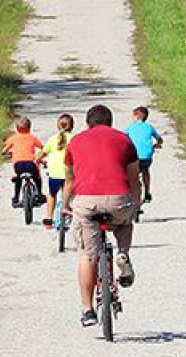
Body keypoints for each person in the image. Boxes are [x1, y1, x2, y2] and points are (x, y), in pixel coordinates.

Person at [60, 105, 143, 327]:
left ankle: (88, 310)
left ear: (88, 123)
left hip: (87, 202)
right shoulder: (124, 140)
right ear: (110, 122)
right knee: (125, 222)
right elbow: (135, 179)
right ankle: (123, 253)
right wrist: (135, 204)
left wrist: (65, 204)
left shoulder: (76, 142)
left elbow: (69, 180)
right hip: (118, 199)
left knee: (88, 256)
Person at [37, 114, 76, 228]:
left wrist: (39, 160)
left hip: (54, 174)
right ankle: (68, 212)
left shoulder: (53, 139)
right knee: (68, 195)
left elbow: (41, 154)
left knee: (52, 194)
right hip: (68, 174)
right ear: (72, 127)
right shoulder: (74, 139)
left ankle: (49, 219)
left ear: (57, 126)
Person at [122, 106, 163, 203]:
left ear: (136, 116)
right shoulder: (149, 127)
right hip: (147, 157)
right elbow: (160, 139)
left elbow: (123, 138)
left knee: (130, 173)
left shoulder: (131, 127)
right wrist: (156, 145)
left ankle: (129, 194)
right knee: (146, 172)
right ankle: (147, 193)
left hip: (135, 157)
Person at [1, 117, 44, 208]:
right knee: (37, 178)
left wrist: (5, 152)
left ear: (16, 129)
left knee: (18, 180)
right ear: (29, 128)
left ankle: (16, 198)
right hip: (30, 164)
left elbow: (4, 150)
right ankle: (39, 194)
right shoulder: (32, 138)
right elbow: (42, 147)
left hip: (18, 165)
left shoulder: (13, 138)